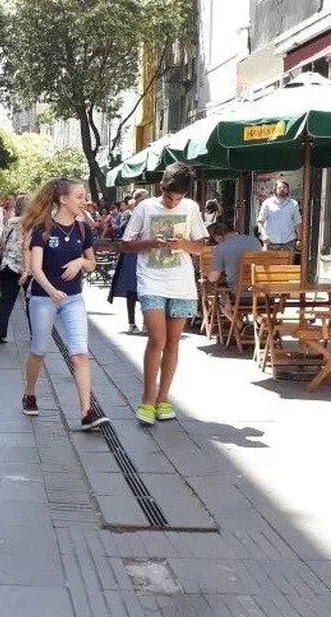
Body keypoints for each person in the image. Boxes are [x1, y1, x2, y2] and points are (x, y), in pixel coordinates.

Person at [121, 162, 208, 425]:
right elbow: (126, 244)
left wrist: (184, 244)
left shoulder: (191, 208)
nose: (173, 203)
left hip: (181, 283)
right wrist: (151, 243)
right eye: (170, 197)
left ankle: (163, 398)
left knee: (173, 341)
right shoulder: (145, 207)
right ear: (162, 188)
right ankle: (147, 401)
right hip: (152, 280)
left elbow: (200, 248)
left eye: (178, 198)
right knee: (156, 338)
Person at [20, 178, 107, 431]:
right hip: (43, 297)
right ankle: (30, 392)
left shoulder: (83, 229)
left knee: (80, 354)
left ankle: (86, 411)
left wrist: (80, 262)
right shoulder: (42, 228)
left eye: (84, 196)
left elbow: (92, 263)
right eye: (79, 197)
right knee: (39, 349)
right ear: (63, 200)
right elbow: (35, 267)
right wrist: (51, 290)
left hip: (74, 299)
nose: (84, 201)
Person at [0, 194, 30, 343]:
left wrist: (4, 258)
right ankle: (35, 332)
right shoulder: (32, 223)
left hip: (8, 265)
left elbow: (2, 243)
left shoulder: (10, 222)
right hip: (26, 267)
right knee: (31, 300)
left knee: (6, 299)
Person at [108, 188, 149, 334]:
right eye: (143, 199)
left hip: (145, 253)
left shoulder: (150, 213)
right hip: (132, 255)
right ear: (136, 200)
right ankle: (132, 323)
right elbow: (122, 231)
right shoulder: (129, 214)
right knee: (132, 289)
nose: (146, 202)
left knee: (146, 289)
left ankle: (146, 323)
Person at [206, 220, 261, 291]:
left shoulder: (221, 247)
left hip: (238, 292)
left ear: (218, 237)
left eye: (213, 241)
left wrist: (207, 274)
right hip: (259, 290)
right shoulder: (254, 240)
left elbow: (213, 278)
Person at [257, 180, 301, 252]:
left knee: (288, 263)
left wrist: (299, 239)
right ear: (275, 189)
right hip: (271, 243)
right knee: (270, 263)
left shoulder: (293, 204)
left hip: (289, 242)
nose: (282, 189)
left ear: (288, 190)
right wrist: (263, 235)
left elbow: (298, 223)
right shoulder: (267, 203)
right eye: (280, 187)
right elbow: (260, 221)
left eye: (284, 187)